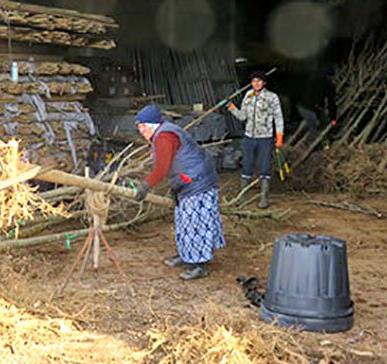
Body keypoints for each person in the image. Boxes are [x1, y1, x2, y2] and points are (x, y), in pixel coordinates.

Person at [133, 105, 225, 280]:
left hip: (197, 181)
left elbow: (162, 168)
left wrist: (146, 185)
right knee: (183, 221)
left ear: (153, 124)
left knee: (196, 223)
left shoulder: (164, 137)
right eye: (139, 127)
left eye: (143, 126)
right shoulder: (162, 133)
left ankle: (200, 264)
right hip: (185, 181)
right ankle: (186, 255)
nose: (141, 131)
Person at [226, 71, 284, 208]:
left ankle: (263, 198)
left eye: (259, 81)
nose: (256, 83)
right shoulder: (248, 96)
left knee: (264, 166)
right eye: (254, 81)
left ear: (264, 83)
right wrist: (232, 108)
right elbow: (242, 117)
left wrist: (279, 136)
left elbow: (278, 118)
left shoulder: (272, 97)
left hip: (265, 138)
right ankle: (243, 197)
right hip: (249, 137)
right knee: (246, 165)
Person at [296, 64, 337, 137]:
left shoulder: (312, 79)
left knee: (308, 122)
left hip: (301, 105)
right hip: (313, 108)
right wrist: (333, 118)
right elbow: (331, 103)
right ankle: (314, 141)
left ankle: (295, 139)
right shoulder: (329, 85)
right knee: (317, 126)